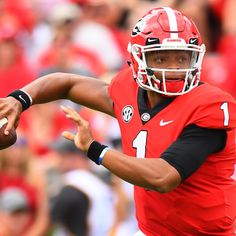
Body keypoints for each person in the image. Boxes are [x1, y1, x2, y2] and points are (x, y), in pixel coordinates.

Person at [1, 6, 236, 235]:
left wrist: (95, 150)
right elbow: (68, 83)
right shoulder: (128, 91)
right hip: (152, 229)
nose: (173, 69)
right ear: (137, 58)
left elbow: (164, 177)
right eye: (162, 59)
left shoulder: (210, 106)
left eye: (182, 58)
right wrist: (19, 99)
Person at [48, 135, 115, 236]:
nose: (57, 161)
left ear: (76, 157)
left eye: (62, 155)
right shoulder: (97, 181)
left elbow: (48, 221)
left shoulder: (75, 181)